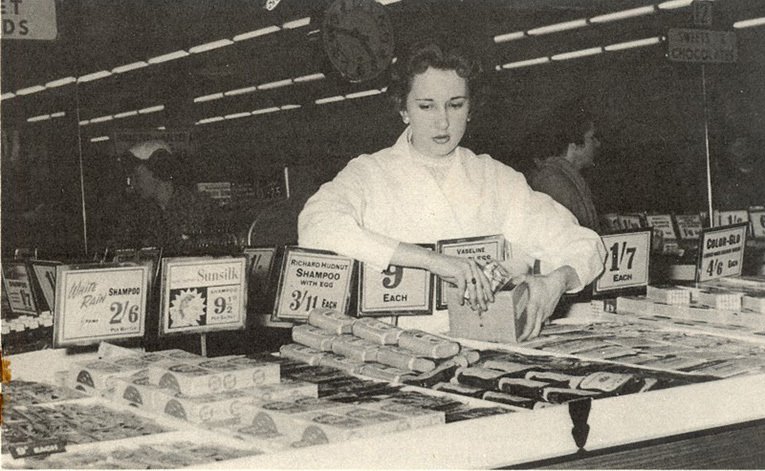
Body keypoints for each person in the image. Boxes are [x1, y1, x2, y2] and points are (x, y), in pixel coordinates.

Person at [298, 40, 605, 341]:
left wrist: (557, 281)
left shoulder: (495, 177)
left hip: (484, 344)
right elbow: (317, 226)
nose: (442, 121)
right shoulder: (368, 173)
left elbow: (584, 244)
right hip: (393, 349)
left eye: (455, 105)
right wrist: (432, 260)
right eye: (426, 106)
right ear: (403, 109)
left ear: (470, 108)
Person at [110, 139, 217, 254]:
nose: (133, 184)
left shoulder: (198, 207)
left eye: (137, 177)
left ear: (159, 171)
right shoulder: (138, 213)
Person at [529, 103, 601, 233]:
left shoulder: (568, 178)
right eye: (592, 137)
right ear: (574, 146)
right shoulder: (554, 183)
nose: (597, 143)